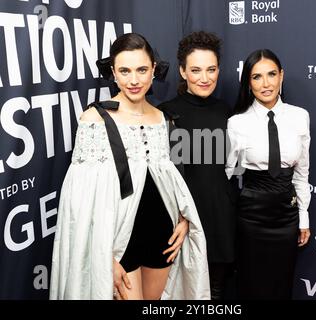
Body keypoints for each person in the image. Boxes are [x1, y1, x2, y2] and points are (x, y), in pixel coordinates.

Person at [49, 33, 210, 300]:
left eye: (141, 70)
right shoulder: (94, 118)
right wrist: (102, 260)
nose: (134, 80)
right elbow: (79, 202)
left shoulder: (162, 118)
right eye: (124, 70)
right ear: (112, 71)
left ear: (154, 70)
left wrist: (183, 218)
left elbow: (167, 178)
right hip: (117, 241)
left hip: (162, 235)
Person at [226, 49, 311, 299]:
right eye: (257, 77)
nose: (266, 84)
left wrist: (303, 217)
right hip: (251, 217)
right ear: (248, 83)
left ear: (281, 76)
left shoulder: (299, 117)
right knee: (251, 285)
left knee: (281, 285)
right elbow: (227, 172)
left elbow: (302, 173)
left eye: (271, 74)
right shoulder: (237, 123)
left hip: (287, 216)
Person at [159, 31, 236, 300]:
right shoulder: (165, 113)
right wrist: (180, 217)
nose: (205, 78)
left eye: (211, 69)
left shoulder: (227, 111)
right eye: (196, 70)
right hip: (182, 223)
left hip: (222, 221)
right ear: (182, 71)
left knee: (214, 293)